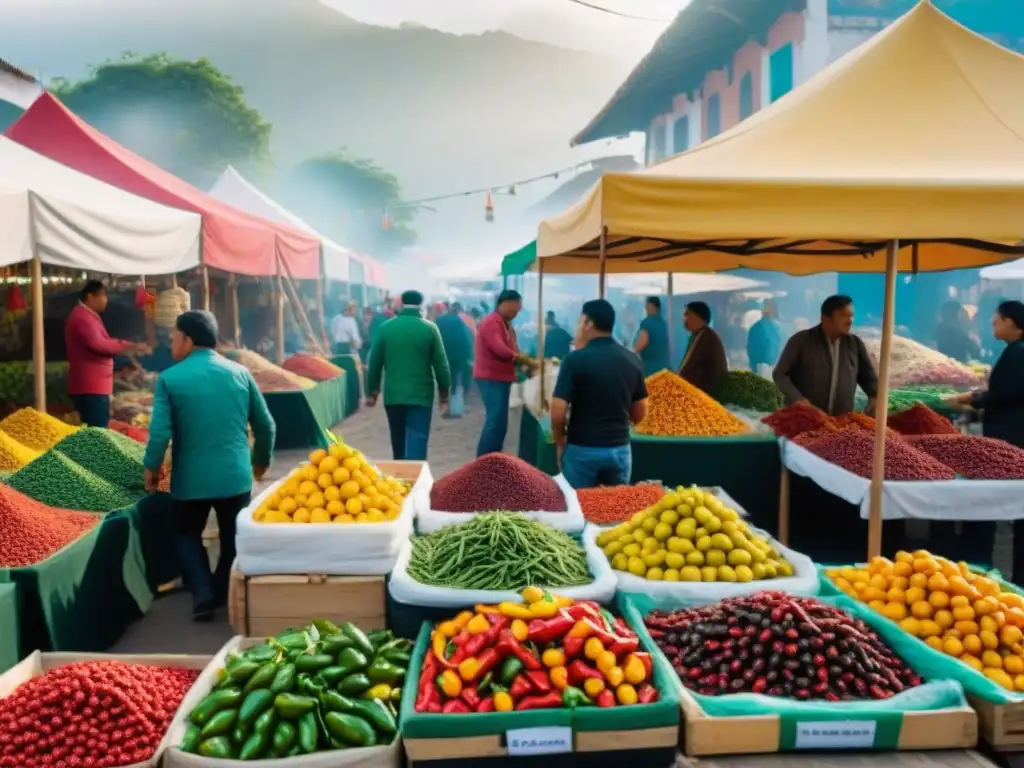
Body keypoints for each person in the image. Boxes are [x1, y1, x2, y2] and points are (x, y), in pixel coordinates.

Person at [143, 311, 275, 621]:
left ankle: (202, 591)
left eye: (174, 337)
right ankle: (219, 589)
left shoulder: (170, 378)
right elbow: (266, 426)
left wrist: (151, 469)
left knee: (187, 533)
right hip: (235, 475)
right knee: (231, 536)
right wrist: (260, 463)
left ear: (188, 340)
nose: (171, 343)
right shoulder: (240, 373)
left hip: (192, 479)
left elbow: (160, 433)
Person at [941, 301, 1024, 573]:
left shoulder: (1018, 353)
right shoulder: (1014, 351)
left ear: (1012, 322)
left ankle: (986, 566)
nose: (993, 323)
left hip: (1010, 436)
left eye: (997, 319)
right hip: (1010, 434)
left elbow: (1006, 394)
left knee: (997, 502)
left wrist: (972, 399)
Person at [551, 299, 648, 489]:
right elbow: (640, 413)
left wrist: (560, 443)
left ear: (588, 323)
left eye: (580, 321)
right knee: (615, 511)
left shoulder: (574, 360)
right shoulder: (632, 360)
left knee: (579, 508)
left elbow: (557, 411)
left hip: (582, 449)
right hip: (620, 450)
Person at [366, 290, 451, 460]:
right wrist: (444, 393)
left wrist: (372, 392)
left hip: (393, 394)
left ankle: (400, 479)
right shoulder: (430, 329)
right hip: (421, 395)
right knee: (417, 439)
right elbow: (441, 365)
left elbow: (374, 363)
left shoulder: (386, 328)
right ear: (420, 305)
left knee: (398, 441)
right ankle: (416, 481)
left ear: (401, 303)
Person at [773, 295, 878, 416]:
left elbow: (867, 376)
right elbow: (780, 374)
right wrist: (797, 399)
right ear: (826, 318)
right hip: (805, 419)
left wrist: (874, 395)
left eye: (851, 316)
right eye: (844, 316)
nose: (850, 321)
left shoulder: (854, 343)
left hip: (840, 423)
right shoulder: (801, 341)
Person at [65, 280, 149, 428]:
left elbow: (103, 342)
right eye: (103, 295)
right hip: (90, 385)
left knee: (97, 430)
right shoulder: (82, 317)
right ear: (90, 296)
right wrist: (131, 346)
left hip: (94, 384)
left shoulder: (88, 315)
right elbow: (100, 344)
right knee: (98, 432)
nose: (106, 300)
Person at [473, 290, 522, 456]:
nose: (515, 314)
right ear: (504, 304)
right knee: (495, 421)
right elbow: (499, 348)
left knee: (500, 422)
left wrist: (520, 358)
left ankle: (494, 457)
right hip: (490, 377)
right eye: (513, 309)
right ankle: (483, 459)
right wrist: (518, 357)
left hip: (501, 377)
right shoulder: (492, 322)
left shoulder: (506, 324)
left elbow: (513, 347)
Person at [679, 301, 728, 394]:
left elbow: (718, 373)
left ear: (698, 317)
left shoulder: (709, 339)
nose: (684, 318)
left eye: (687, 314)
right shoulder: (696, 336)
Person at [436, 302, 474, 408]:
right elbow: (465, 338)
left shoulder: (439, 320)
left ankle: (443, 402)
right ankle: (454, 400)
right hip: (457, 354)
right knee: (455, 377)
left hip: (442, 354)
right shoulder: (459, 321)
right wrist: (469, 354)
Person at [634, 296, 670, 376]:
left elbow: (641, 344)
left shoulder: (647, 323)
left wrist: (630, 353)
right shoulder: (663, 323)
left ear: (649, 306)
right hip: (664, 368)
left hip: (650, 369)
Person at [746, 299, 784, 374]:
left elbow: (750, 346)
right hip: (772, 362)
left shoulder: (755, 327)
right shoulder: (776, 327)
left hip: (759, 362)